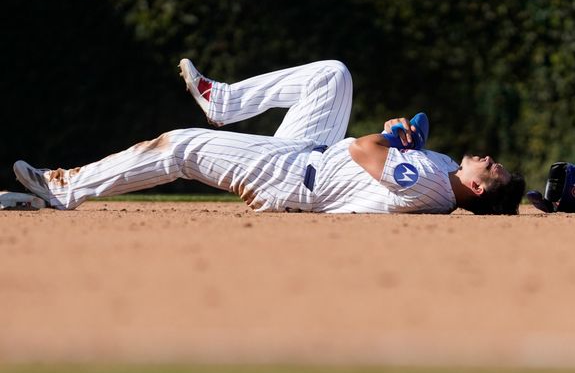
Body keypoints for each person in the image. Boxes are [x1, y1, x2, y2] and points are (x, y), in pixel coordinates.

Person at [13, 60, 526, 215]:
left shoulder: (432, 187)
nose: (486, 156)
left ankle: (66, 188)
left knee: (181, 146)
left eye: (491, 166)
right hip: (313, 155)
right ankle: (225, 102)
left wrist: (391, 135)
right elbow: (381, 149)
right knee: (335, 76)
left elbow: (365, 148)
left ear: (477, 189)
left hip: (294, 178)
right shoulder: (441, 172)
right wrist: (400, 132)